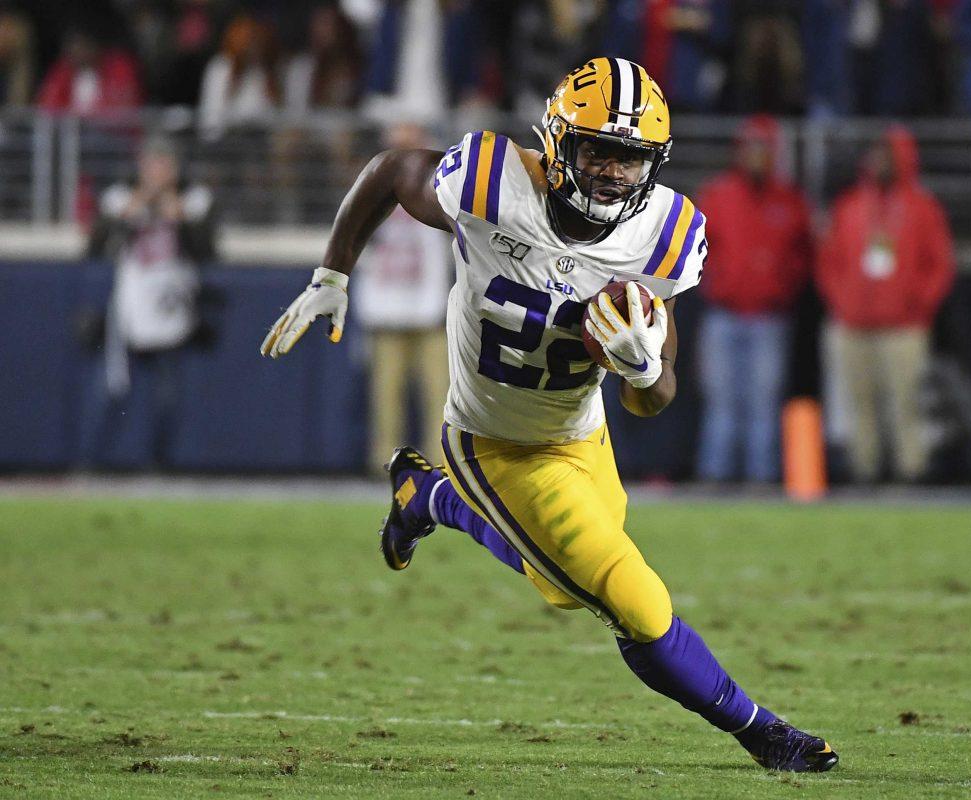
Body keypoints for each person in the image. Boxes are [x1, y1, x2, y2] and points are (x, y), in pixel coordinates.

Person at [260, 57, 838, 773]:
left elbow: (653, 402)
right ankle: (764, 733)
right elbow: (389, 170)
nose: (611, 173)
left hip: (582, 437)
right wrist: (332, 272)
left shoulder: (662, 236)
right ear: (560, 141)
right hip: (492, 441)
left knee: (568, 581)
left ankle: (425, 497)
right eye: (598, 150)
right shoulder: (489, 184)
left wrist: (643, 364)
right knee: (634, 599)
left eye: (630, 159)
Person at [816, 127, 954, 484]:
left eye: (886, 155)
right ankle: (865, 473)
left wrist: (917, 307)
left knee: (907, 406)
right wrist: (842, 302)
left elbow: (939, 265)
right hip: (854, 325)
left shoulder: (922, 208)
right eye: (874, 155)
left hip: (903, 327)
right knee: (860, 406)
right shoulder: (850, 206)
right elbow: (829, 261)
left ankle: (911, 474)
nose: (878, 162)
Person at [81, 136, 216, 467]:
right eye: (152, 164)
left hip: (172, 310)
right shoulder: (121, 197)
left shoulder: (193, 200)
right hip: (129, 310)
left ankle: (160, 464)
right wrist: (132, 212)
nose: (157, 172)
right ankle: (91, 460)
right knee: (112, 389)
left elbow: (208, 251)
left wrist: (181, 219)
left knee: (167, 397)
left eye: (164, 164)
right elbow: (94, 246)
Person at [694, 115, 813, 484]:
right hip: (723, 313)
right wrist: (714, 282)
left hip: (768, 317)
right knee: (721, 403)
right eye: (752, 148)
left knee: (763, 405)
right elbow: (692, 245)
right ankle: (714, 479)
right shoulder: (719, 194)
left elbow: (804, 255)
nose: (757, 156)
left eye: (764, 148)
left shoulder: (789, 200)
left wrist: (781, 287)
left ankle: (761, 481)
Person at [353, 123, 454, 468]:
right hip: (386, 305)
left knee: (440, 395)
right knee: (386, 397)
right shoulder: (369, 188)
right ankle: (386, 465)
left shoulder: (441, 186)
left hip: (429, 307)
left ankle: (443, 466)